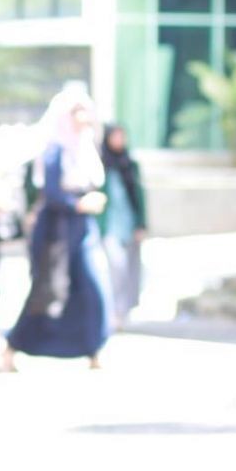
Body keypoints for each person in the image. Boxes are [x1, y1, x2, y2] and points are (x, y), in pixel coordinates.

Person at [2, 86, 111, 370]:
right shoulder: (54, 150)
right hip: (56, 231)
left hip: (82, 229)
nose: (82, 117)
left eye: (85, 110)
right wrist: (79, 204)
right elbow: (51, 192)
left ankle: (93, 349)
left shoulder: (86, 145)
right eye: (76, 111)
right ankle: (12, 346)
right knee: (47, 290)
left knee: (91, 287)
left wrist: (89, 204)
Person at [99, 124, 147, 328]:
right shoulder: (101, 163)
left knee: (130, 269)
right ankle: (112, 309)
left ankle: (123, 310)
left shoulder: (130, 164)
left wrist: (141, 224)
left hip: (128, 223)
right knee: (115, 267)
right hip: (109, 225)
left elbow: (139, 196)